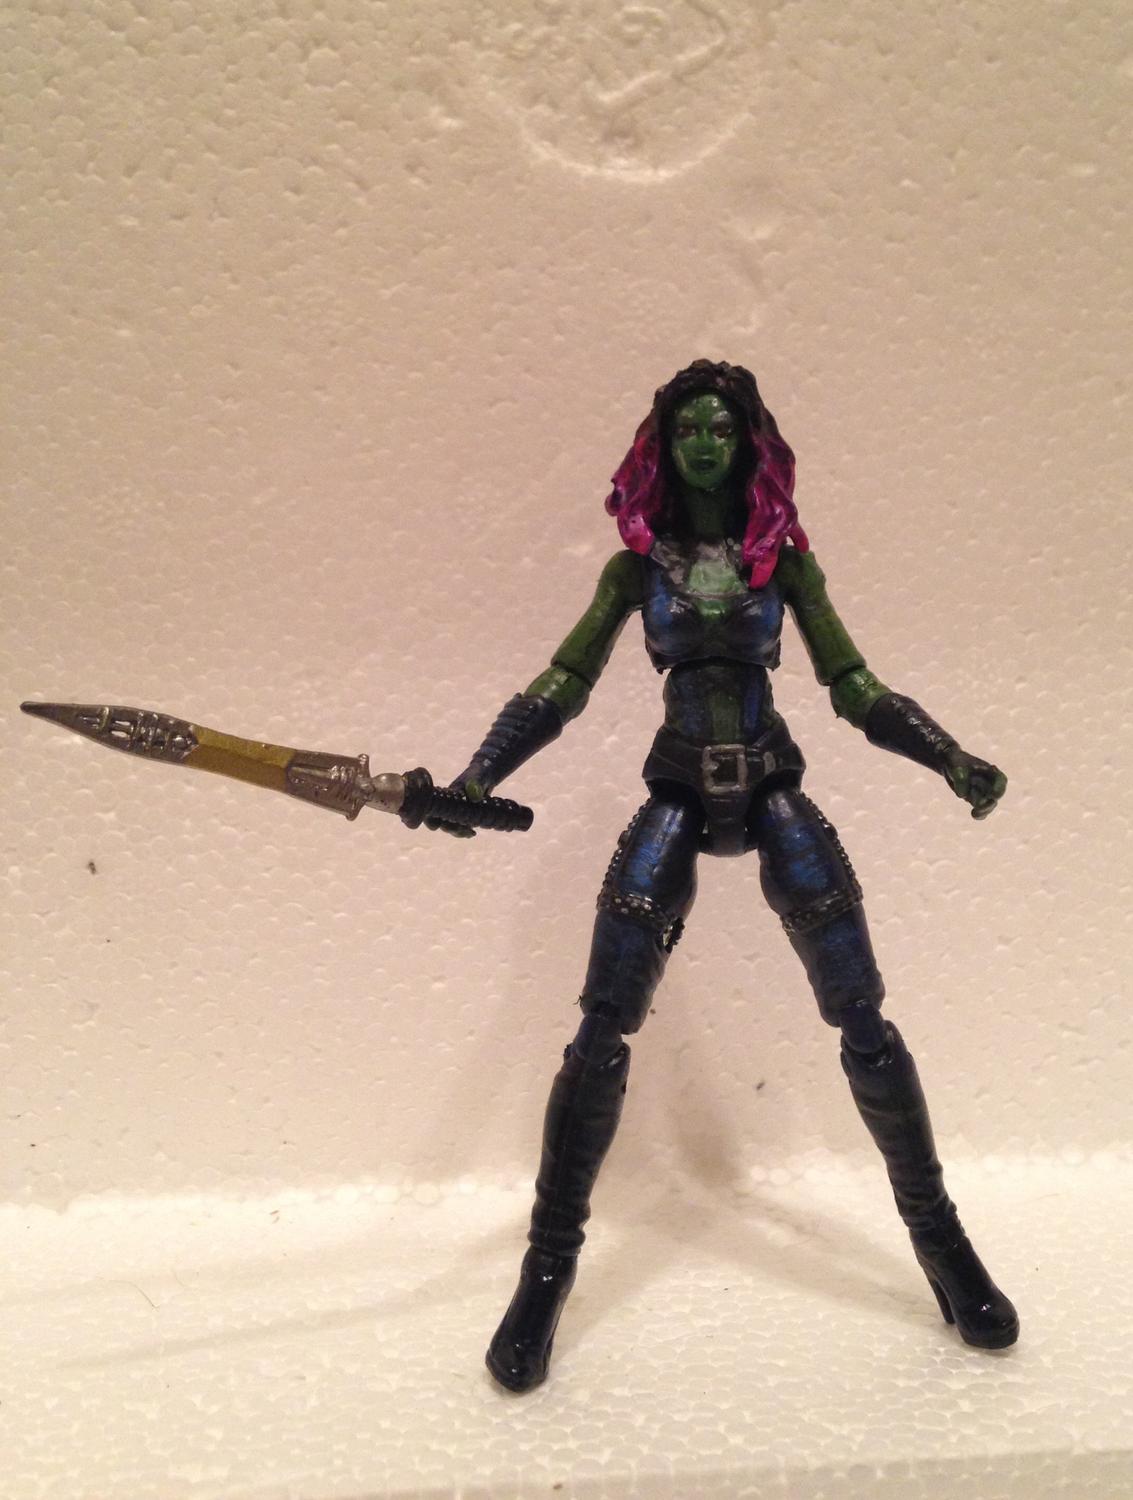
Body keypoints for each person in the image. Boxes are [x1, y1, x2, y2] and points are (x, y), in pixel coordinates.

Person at [439, 359, 1017, 1393]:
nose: (703, 443)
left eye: (719, 428)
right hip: (673, 789)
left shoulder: (780, 565)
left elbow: (854, 686)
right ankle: (544, 1273)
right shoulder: (636, 572)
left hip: (770, 787)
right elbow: (562, 682)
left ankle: (942, 1243)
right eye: (686, 430)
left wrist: (947, 757)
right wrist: (480, 773)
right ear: (661, 448)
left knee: (861, 1017)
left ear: (747, 443)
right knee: (601, 1027)